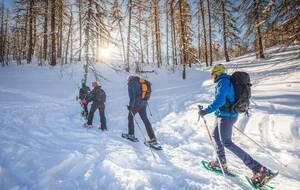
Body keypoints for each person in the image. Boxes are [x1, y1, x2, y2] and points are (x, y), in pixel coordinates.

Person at [198, 64, 276, 185]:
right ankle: (221, 162)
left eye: (212, 74)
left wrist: (205, 111)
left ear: (216, 73)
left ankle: (260, 170)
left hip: (226, 116)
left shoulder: (223, 82)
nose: (211, 77)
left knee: (227, 142)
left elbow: (220, 100)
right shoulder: (226, 81)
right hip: (224, 115)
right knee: (215, 136)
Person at [123, 76, 157, 146]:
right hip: (144, 103)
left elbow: (132, 96)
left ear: (129, 79)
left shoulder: (131, 83)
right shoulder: (141, 81)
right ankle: (153, 138)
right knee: (145, 120)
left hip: (136, 104)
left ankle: (131, 134)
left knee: (130, 117)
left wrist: (131, 106)